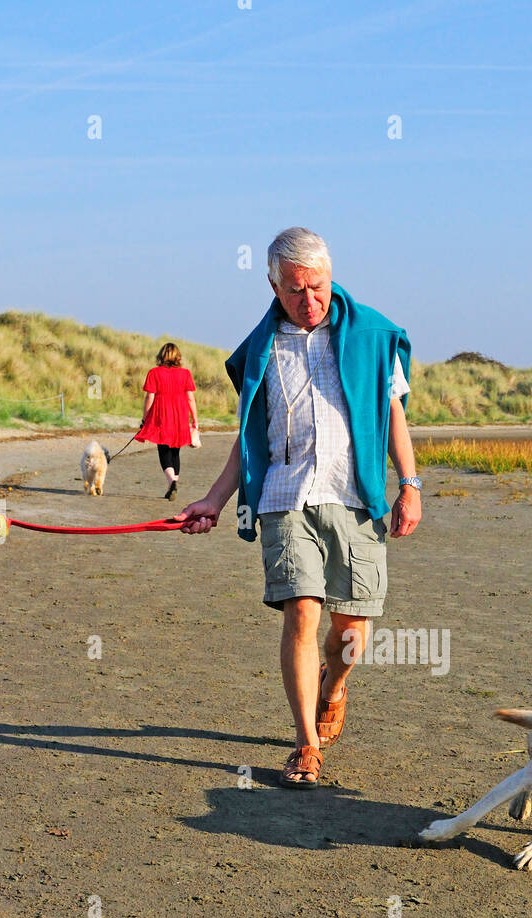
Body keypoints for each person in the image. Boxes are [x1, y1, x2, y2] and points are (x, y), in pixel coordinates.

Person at [177, 226, 422, 787]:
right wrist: (215, 501)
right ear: (273, 285)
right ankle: (305, 745)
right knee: (302, 613)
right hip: (285, 498)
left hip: (354, 497)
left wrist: (410, 485)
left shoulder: (374, 338)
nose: (309, 301)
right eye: (294, 290)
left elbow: (394, 417)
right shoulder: (259, 351)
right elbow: (251, 439)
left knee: (351, 631)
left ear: (330, 278)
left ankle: (334, 687)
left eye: (317, 287)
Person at [136, 343, 198, 500]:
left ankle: (171, 483)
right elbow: (191, 398)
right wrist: (195, 421)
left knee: (164, 450)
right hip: (180, 415)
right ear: (177, 356)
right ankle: (173, 484)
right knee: (175, 451)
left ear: (161, 356)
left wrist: (145, 418)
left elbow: (149, 397)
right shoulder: (185, 373)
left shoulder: (154, 373)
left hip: (161, 414)